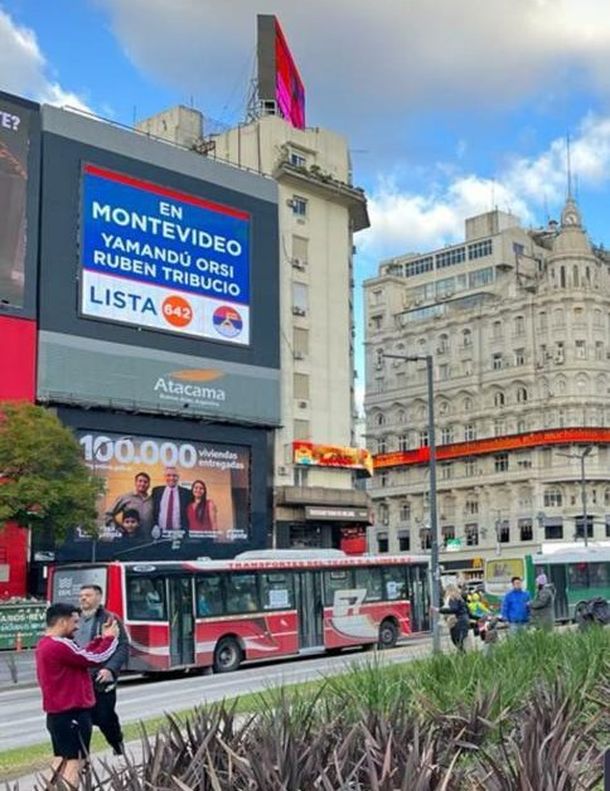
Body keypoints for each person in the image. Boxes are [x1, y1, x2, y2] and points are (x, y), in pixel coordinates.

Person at [35, 602, 119, 787]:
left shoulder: (45, 644)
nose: (77, 626)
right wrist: (111, 639)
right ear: (63, 622)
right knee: (76, 761)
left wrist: (99, 639)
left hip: (58, 715)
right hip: (73, 713)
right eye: (75, 622)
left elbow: (80, 655)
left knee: (61, 759)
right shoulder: (60, 645)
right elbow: (94, 659)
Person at [75, 585, 129, 756]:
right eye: (81, 595)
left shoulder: (109, 619)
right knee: (82, 719)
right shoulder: (73, 618)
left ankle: (116, 741)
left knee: (105, 717)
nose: (83, 599)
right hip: (79, 678)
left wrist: (110, 670)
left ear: (99, 598)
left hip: (100, 679)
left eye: (88, 595)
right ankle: (82, 756)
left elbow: (122, 646)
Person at [152, 467, 190, 536]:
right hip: (160, 533)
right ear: (164, 477)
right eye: (168, 475)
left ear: (178, 477)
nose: (171, 478)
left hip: (179, 533)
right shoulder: (156, 491)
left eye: (174, 476)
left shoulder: (186, 493)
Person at [437, 584, 470, 651]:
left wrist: (439, 610)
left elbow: (454, 609)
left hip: (458, 622)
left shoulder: (452, 598)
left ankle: (462, 657)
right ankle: (463, 657)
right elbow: (468, 611)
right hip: (464, 621)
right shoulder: (460, 598)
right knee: (461, 643)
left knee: (457, 641)